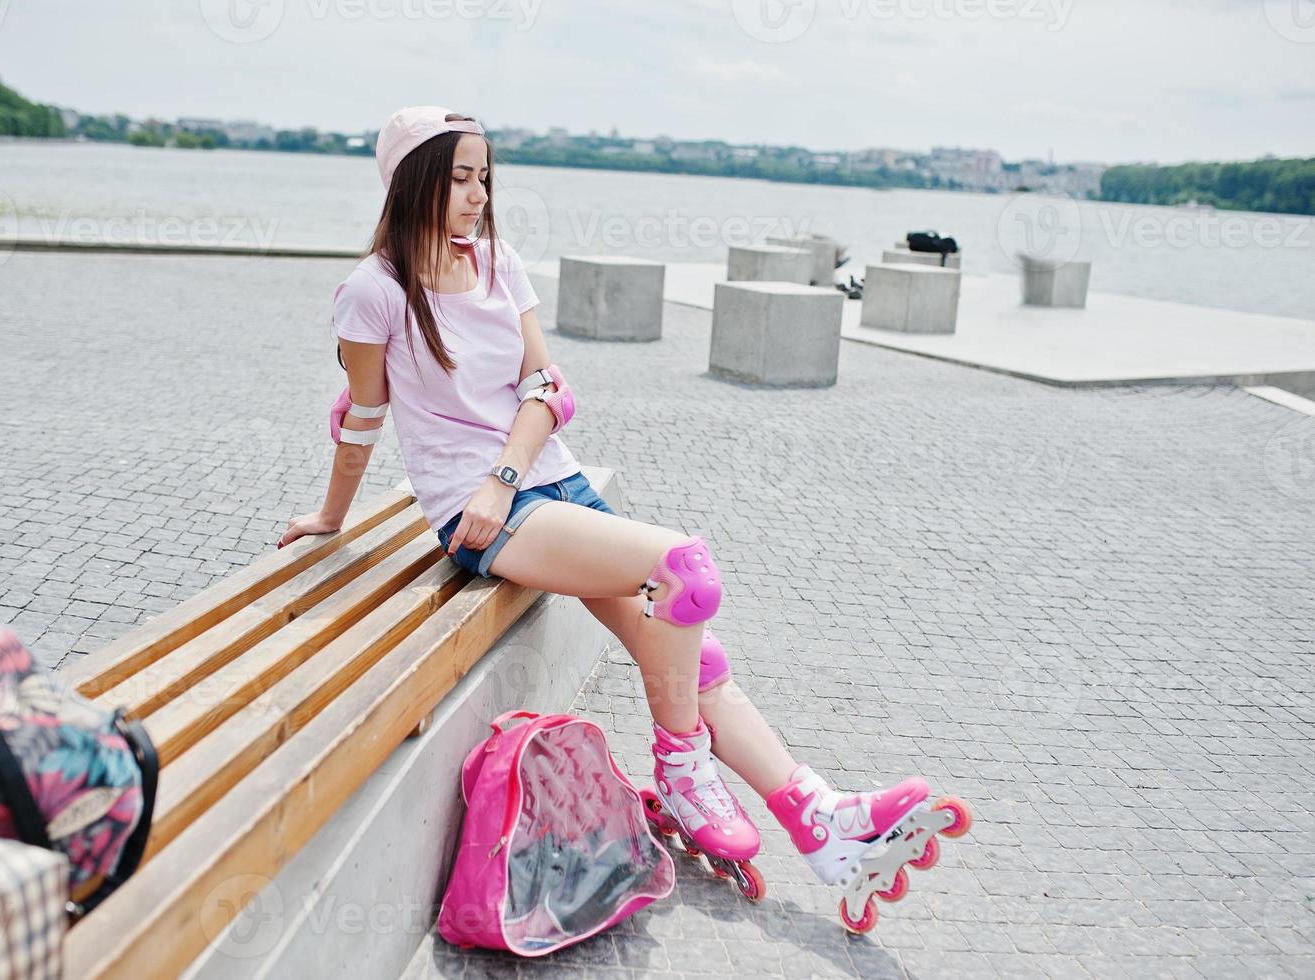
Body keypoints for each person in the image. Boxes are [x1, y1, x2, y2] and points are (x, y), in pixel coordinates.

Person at [278, 105, 942, 914]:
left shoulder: (497, 263)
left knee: (695, 661)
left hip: (542, 485)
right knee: (684, 568)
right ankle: (680, 764)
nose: (477, 194)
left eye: (484, 176)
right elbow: (362, 417)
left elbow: (550, 387)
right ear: (410, 179)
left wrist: (508, 466)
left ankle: (822, 821)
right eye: (458, 177)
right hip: (479, 515)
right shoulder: (373, 292)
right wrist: (333, 517)